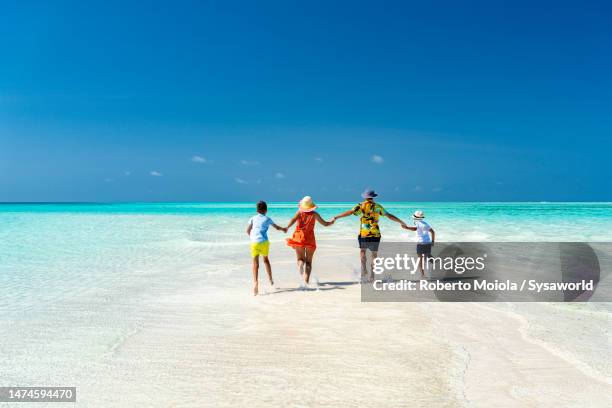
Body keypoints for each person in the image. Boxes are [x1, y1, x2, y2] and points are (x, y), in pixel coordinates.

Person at [333, 189, 407, 282]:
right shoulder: (378, 207)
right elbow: (389, 216)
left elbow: (350, 212)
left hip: (364, 234)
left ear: (364, 196)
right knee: (374, 255)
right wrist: (401, 222)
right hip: (375, 234)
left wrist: (337, 217)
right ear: (373, 197)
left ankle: (364, 269)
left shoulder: (360, 206)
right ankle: (372, 276)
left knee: (362, 252)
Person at [285, 196, 334, 287]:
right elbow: (325, 224)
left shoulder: (299, 212)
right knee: (309, 262)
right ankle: (306, 281)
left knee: (300, 259)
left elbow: (292, 220)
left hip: (299, 238)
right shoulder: (314, 214)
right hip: (310, 239)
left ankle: (300, 264)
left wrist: (287, 227)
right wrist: (332, 222)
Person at [246, 201, 287, 295]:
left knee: (255, 263)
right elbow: (276, 227)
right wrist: (284, 229)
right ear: (266, 210)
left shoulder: (252, 218)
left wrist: (252, 238)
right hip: (264, 242)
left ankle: (255, 282)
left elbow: (248, 230)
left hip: (254, 243)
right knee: (266, 260)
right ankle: (271, 279)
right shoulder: (267, 219)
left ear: (257, 210)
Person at [402, 210, 435, 278]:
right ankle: (435, 263)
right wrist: (433, 242)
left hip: (420, 243)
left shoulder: (416, 223)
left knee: (421, 259)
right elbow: (433, 232)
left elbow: (415, 229)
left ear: (415, 217)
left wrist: (406, 228)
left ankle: (423, 275)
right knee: (428, 254)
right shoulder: (426, 224)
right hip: (428, 243)